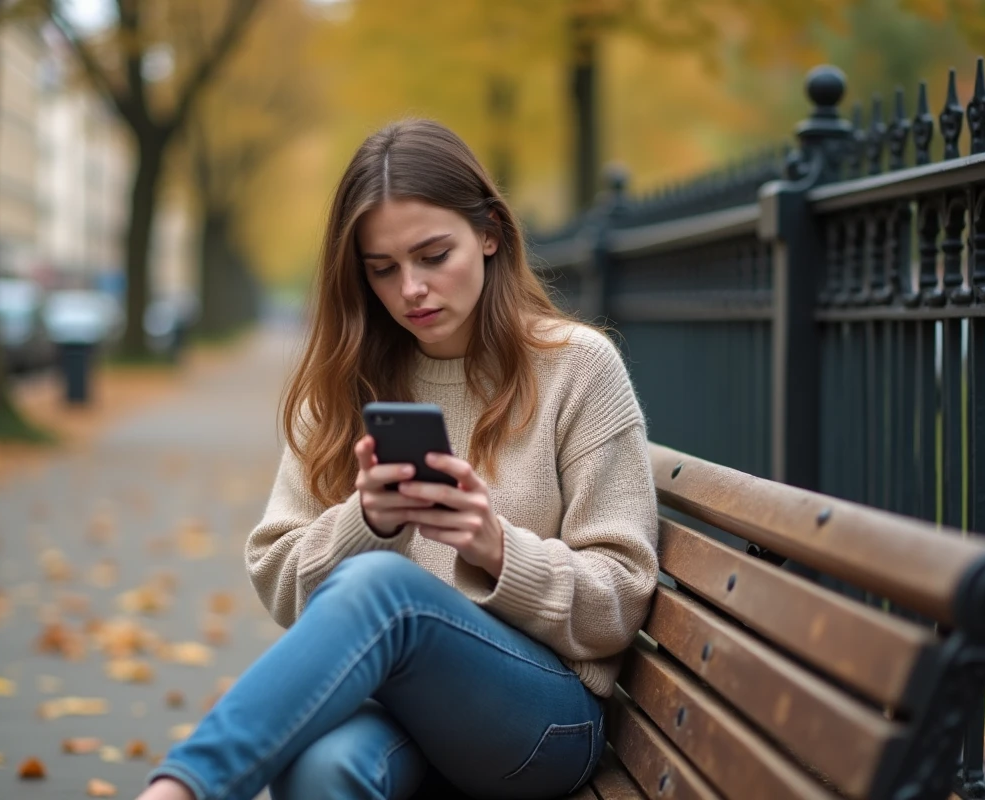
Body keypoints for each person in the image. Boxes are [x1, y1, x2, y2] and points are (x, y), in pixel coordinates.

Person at [137, 119, 660, 800]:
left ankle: (183, 789)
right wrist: (368, 521)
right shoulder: (344, 382)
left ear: (491, 233)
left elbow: (621, 595)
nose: (410, 288)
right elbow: (282, 580)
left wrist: (498, 549)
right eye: (382, 269)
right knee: (320, 770)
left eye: (433, 255)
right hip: (399, 712)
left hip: (542, 722)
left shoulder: (576, 368)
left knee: (387, 590)